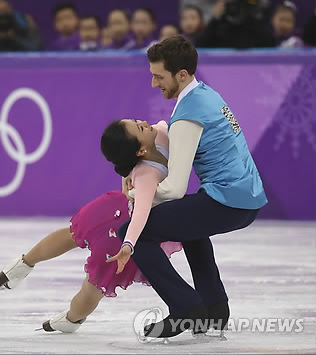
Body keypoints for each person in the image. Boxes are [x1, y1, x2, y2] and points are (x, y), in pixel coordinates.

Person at [108, 35, 267, 339]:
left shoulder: (188, 115)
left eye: (159, 76)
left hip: (229, 201)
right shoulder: (205, 95)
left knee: (134, 232)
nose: (154, 84)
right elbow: (166, 134)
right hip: (246, 197)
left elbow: (174, 189)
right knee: (190, 224)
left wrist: (135, 194)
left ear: (181, 75)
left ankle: (186, 309)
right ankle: (215, 308)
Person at [0, 120, 182, 333]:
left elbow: (158, 130)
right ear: (138, 150)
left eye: (137, 122)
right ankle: (68, 315)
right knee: (84, 264)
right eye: (138, 126)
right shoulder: (147, 170)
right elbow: (140, 214)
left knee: (89, 278)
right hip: (128, 230)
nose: (144, 122)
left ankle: (29, 275)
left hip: (121, 213)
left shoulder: (159, 133)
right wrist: (129, 244)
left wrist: (128, 172)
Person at [195, 0, 275, 48]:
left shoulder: (253, 25)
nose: (233, 8)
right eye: (230, 4)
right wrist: (214, 20)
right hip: (222, 70)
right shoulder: (217, 25)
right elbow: (200, 47)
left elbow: (270, 43)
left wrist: (248, 15)